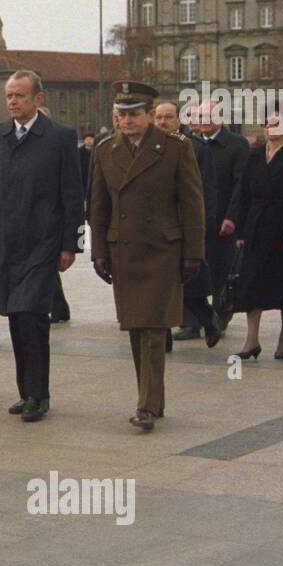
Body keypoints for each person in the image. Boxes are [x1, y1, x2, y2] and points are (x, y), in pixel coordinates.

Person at [87, 81, 205, 431]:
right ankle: (152, 399)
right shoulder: (106, 150)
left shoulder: (175, 148)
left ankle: (147, 405)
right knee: (136, 329)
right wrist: (98, 252)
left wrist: (193, 253)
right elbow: (98, 206)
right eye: (121, 114)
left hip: (162, 250)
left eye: (134, 114)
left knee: (154, 329)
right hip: (123, 250)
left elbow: (192, 203)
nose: (126, 121)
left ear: (151, 115)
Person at [0, 72, 83, 422]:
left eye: (20, 95)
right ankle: (26, 392)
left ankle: (39, 394)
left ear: (38, 98)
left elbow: (72, 195)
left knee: (33, 317)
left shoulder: (59, 137)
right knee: (15, 319)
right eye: (9, 96)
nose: (12, 102)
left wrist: (71, 244)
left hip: (42, 244)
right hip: (5, 244)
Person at [229, 104, 283, 359]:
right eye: (266, 122)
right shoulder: (254, 154)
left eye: (276, 122)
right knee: (250, 285)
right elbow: (243, 193)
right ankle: (251, 340)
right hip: (257, 227)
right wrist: (240, 230)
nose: (270, 127)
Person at [155, 101, 221, 348]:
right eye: (158, 117)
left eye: (168, 117)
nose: (163, 122)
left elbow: (207, 190)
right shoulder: (145, 147)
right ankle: (164, 338)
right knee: (159, 285)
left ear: (178, 121)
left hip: (185, 225)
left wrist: (204, 225)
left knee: (190, 282)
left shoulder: (194, 148)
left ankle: (207, 319)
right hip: (156, 228)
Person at [197, 100, 250, 332]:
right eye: (200, 116)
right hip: (196, 217)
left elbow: (242, 184)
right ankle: (193, 318)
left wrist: (232, 217)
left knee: (221, 269)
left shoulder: (237, 144)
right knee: (195, 269)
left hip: (222, 219)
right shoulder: (192, 144)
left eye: (210, 115)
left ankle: (221, 313)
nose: (204, 121)